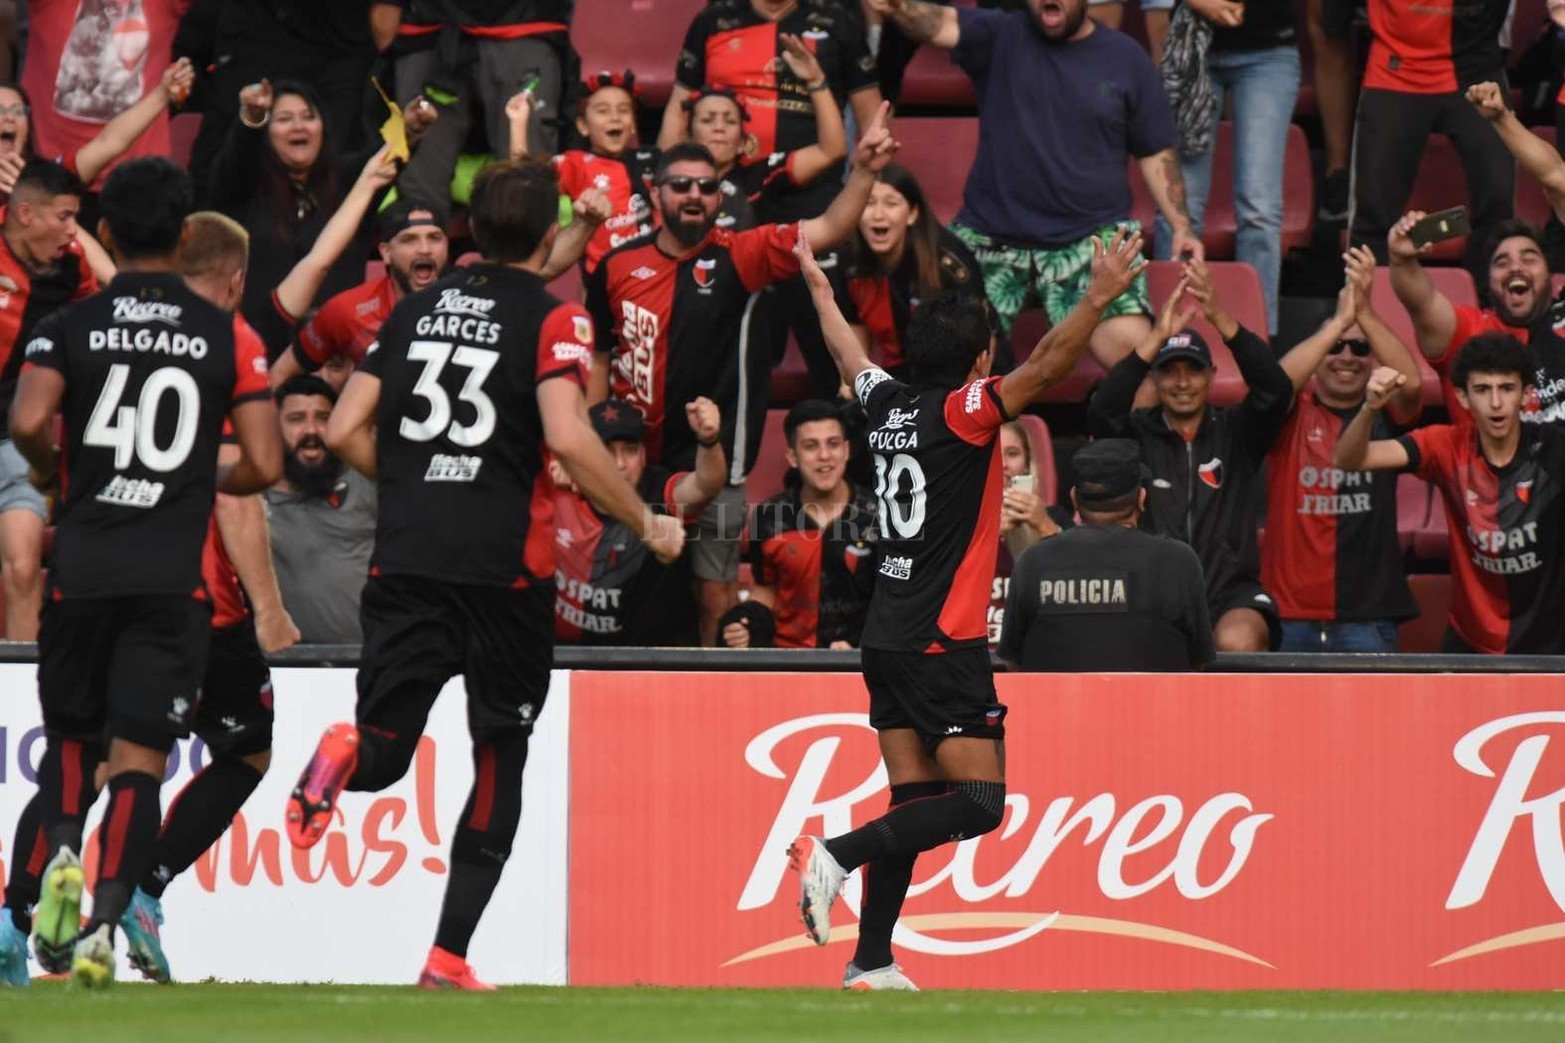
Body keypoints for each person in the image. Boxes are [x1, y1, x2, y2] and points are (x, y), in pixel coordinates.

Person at [283, 158, 686, 991]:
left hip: (408, 554)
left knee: (388, 754)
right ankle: (446, 954)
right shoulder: (555, 318)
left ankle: (345, 748)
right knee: (499, 752)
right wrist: (644, 519)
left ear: (469, 231)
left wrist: (413, 484)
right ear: (548, 236)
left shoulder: (415, 308)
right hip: (504, 571)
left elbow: (351, 422)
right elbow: (571, 439)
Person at [785, 220, 1147, 989]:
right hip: (941, 640)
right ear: (981, 358)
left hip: (884, 635)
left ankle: (871, 959)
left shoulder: (883, 406)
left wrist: (816, 282)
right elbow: (1049, 362)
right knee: (979, 803)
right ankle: (834, 855)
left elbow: (848, 351)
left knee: (914, 797)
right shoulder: (965, 412)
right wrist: (1099, 295)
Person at [1, 156, 280, 988]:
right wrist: (197, 477)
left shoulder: (71, 325)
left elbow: (25, 420)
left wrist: (61, 474)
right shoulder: (227, 334)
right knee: (140, 761)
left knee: (73, 744)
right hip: (170, 580)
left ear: (109, 233)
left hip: (83, 566)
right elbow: (264, 462)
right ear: (186, 232)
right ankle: (105, 921)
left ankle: (56, 858)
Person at [585, 104, 899, 646]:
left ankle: (707, 715)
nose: (693, 196)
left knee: (716, 598)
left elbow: (826, 228)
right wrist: (594, 437)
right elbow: (597, 354)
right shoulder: (616, 264)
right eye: (679, 184)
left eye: (706, 188)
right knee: (618, 590)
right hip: (632, 462)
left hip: (715, 466)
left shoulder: (740, 255)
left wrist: (865, 172)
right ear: (655, 193)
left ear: (719, 197)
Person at [872, 0, 1199, 386]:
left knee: (1137, 361)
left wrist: (1181, 224)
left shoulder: (1126, 57)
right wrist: (895, 5)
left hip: (1089, 239)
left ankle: (1130, 447)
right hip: (991, 234)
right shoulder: (1001, 33)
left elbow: (1155, 151)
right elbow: (937, 23)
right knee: (942, 350)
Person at [664, 0, 886, 399]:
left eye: (726, 121)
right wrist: (678, 172)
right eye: (710, 121)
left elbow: (869, 127)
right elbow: (677, 114)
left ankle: (849, 421)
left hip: (809, 197)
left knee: (827, 330)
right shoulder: (712, 21)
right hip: (722, 200)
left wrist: (817, 82)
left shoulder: (838, 22)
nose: (718, 128)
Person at [1088, 259, 1293, 652]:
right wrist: (1153, 342)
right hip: (1151, 593)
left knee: (1239, 639)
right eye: (1169, 371)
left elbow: (1276, 390)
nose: (1182, 383)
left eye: (1194, 370)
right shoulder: (1137, 434)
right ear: (1155, 377)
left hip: (1229, 593)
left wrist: (1219, 317)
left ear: (1212, 375)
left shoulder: (1237, 431)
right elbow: (1103, 413)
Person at [1336, 336, 1565, 655]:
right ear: (1463, 397)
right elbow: (1349, 459)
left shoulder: (1556, 450)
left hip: (1550, 647)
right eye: (1483, 390)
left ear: (1526, 395)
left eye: (1507, 389)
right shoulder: (1445, 446)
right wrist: (1369, 409)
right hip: (1470, 643)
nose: (1496, 403)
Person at [1263, 247, 1422, 653]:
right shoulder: (1289, 414)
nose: (1346, 357)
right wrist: (1339, 323)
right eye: (1335, 348)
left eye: (1360, 349)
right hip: (1290, 616)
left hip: (1367, 618)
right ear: (1318, 356)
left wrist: (1364, 313)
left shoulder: (1384, 412)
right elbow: (1273, 385)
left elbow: (1413, 386)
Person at [207, 78, 434, 343]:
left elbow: (381, 161)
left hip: (338, 347)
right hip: (262, 345)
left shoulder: (347, 182)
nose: (299, 126)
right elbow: (237, 157)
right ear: (266, 132)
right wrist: (253, 117)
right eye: (284, 119)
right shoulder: (243, 189)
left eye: (308, 116)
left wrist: (409, 130)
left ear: (323, 127)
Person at [999, 439, 1213, 670]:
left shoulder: (1032, 561)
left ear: (1074, 498)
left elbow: (1012, 661)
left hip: (1058, 705)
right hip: (1153, 705)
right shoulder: (1178, 561)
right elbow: (1199, 661)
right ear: (1141, 498)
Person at [1155, 0, 1300, 333]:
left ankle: (1256, 339)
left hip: (1269, 51)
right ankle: (1169, 337)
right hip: (1193, 44)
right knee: (1178, 207)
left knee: (1259, 209)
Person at [0, 159, 97, 641]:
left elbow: (107, 311)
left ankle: (17, 697)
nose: (71, 230)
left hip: (16, 438)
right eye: (63, 216)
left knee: (21, 566)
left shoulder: (73, 265)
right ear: (24, 215)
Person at [1346, 0, 1514, 272]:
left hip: (1475, 65)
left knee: (1498, 202)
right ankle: (1363, 308)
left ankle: (1491, 309)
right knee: (1372, 213)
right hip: (1396, 65)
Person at [553, 398, 725, 646]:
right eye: (606, 451)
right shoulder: (556, 490)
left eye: (630, 450)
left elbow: (706, 485)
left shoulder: (659, 491)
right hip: (564, 663)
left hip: (652, 665)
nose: (620, 464)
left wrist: (709, 441)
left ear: (644, 455)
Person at [386, 0, 573, 211]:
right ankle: (420, 237)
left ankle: (529, 241)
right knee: (420, 189)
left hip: (526, 24)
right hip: (427, 29)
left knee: (528, 179)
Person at [724, 399, 879, 650]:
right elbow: (766, 590)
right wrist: (743, 626)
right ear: (793, 457)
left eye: (833, 444)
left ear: (848, 450)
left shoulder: (879, 515)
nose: (824, 456)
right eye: (810, 446)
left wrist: (859, 644)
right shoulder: (770, 516)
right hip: (789, 661)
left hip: (862, 663)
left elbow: (890, 599)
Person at [1388, 212, 1563, 427]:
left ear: (1549, 274)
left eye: (1528, 259)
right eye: (1501, 263)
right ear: (1489, 282)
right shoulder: (1470, 332)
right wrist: (1401, 260)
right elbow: (1421, 302)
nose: (1516, 268)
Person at [267, 199, 452, 388]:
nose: (425, 249)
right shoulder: (347, 310)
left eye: (434, 238)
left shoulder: (475, 302)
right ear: (386, 252)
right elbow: (280, 374)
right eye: (409, 239)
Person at [843, 164, 994, 378]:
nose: (878, 215)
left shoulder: (947, 261)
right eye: (868, 203)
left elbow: (981, 333)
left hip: (957, 374)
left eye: (891, 204)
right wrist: (852, 383)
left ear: (913, 213)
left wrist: (973, 396)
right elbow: (854, 328)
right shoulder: (849, 260)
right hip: (899, 373)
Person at [263, 375, 377, 645]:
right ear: (273, 429)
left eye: (324, 417)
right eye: (296, 419)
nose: (311, 430)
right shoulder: (253, 499)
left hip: (374, 660)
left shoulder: (365, 476)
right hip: (291, 669)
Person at [510, 71, 657, 275]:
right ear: (583, 126)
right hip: (603, 282)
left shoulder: (654, 160)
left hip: (654, 275)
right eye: (602, 110)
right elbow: (524, 183)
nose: (615, 117)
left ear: (633, 125)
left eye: (623, 110)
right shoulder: (576, 164)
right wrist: (518, 123)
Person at [987, 419, 1063, 646]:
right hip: (975, 647)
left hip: (1032, 644)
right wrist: (989, 534)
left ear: (1027, 464)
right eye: (993, 454)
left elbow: (1076, 582)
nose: (1004, 465)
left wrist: (1043, 526)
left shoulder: (1053, 517)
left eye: (1012, 454)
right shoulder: (953, 520)